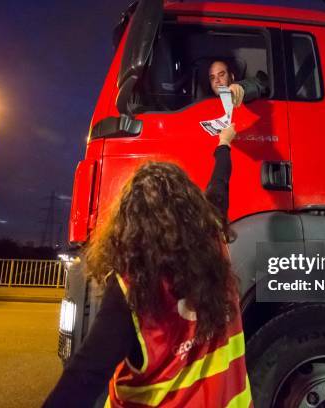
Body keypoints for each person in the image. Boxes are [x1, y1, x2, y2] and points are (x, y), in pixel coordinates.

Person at [43, 124, 253, 408]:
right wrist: (224, 143)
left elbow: (85, 375)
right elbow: (220, 184)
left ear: (131, 222)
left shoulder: (131, 287)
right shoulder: (214, 238)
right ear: (191, 206)